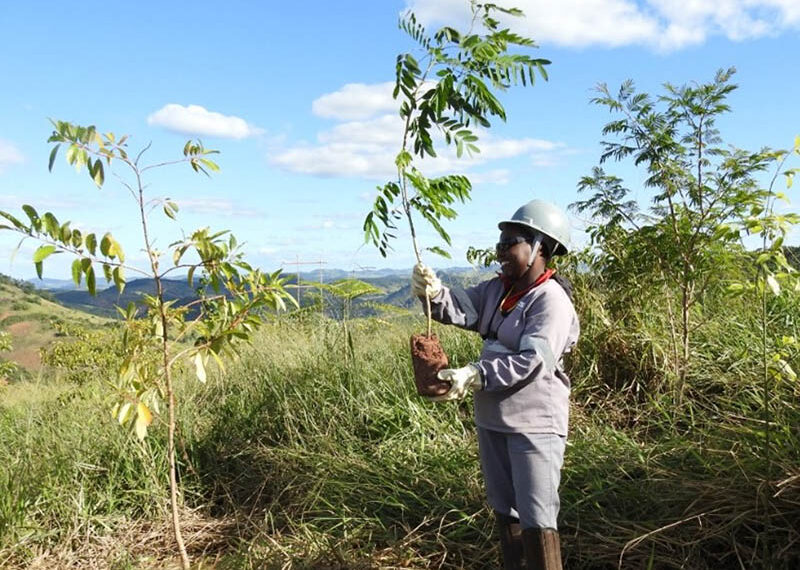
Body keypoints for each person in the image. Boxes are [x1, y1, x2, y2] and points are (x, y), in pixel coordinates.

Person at [411, 199, 579, 570]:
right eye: (499, 244)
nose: (500, 252)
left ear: (540, 248)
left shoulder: (550, 300)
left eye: (509, 244)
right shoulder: (498, 291)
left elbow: (533, 360)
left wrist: (476, 374)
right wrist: (432, 292)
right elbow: (459, 308)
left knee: (537, 518)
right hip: (493, 420)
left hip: (534, 425)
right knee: (506, 510)